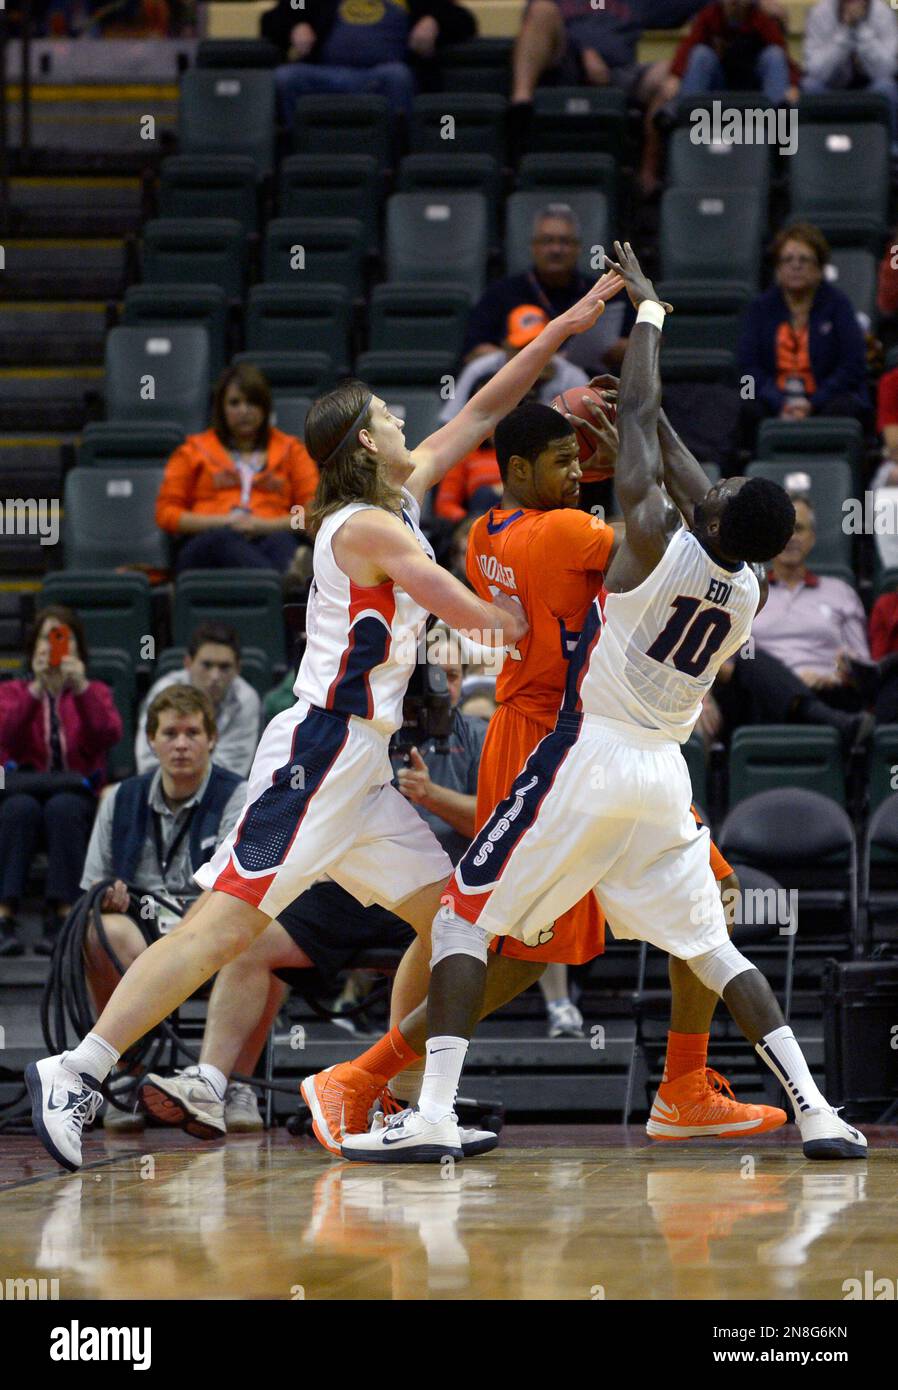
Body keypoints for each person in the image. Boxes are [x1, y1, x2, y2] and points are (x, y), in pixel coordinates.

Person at [26, 268, 625, 1172]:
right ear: (362, 443)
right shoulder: (358, 525)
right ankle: (78, 1068)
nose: (404, 423)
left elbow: (484, 411)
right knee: (221, 928)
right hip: (317, 753)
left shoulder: (398, 496)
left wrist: (564, 329)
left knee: (457, 920)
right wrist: (521, 613)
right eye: (388, 415)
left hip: (365, 767)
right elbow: (454, 602)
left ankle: (395, 1100)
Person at [342, 241, 867, 1164]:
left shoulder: (645, 548)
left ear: (706, 516)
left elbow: (651, 435)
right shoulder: (745, 592)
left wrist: (649, 319)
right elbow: (690, 473)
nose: (718, 482)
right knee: (715, 945)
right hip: (665, 776)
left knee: (469, 919)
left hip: (585, 754)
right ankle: (818, 1110)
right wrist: (643, 426)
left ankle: (426, 1110)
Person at [300, 398, 787, 1154]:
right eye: (562, 462)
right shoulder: (568, 530)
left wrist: (635, 429)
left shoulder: (485, 532)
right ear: (522, 469)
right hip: (565, 743)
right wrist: (637, 430)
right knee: (517, 954)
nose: (576, 474)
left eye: (575, 461)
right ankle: (364, 1077)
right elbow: (684, 537)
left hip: (554, 732)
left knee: (540, 945)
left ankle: (684, 1085)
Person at [129, 653, 491, 1143]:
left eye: (451, 676)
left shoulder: (479, 734)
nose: (440, 686)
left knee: (447, 933)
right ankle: (214, 1083)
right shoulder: (366, 720)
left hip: (435, 882)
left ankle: (400, 1096)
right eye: (431, 674)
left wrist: (432, 796)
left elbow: (498, 825)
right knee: (252, 940)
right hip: (347, 885)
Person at [78, 686, 249, 1132]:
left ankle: (233, 1083)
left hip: (212, 927)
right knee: (100, 932)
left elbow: (242, 881)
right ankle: (123, 1075)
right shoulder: (118, 797)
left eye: (192, 732)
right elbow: (92, 885)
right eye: (169, 733)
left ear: (211, 739)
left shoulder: (239, 794)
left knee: (256, 932)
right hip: (144, 929)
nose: (181, 744)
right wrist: (107, 894)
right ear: (151, 741)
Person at [0, 605, 122, 958]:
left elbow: (107, 734)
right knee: (18, 809)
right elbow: (5, 737)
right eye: (45, 637)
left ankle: (64, 915)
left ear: (76, 648)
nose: (51, 646)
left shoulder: (94, 691)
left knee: (63, 808)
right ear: (33, 646)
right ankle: (5, 915)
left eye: (61, 638)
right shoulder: (13, 691)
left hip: (76, 792)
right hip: (24, 790)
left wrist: (80, 687)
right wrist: (37, 691)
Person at [155, 363, 319, 575]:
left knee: (281, 542)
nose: (244, 411)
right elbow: (167, 514)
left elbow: (311, 514)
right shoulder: (193, 450)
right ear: (221, 408)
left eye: (252, 402)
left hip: (269, 535)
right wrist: (225, 522)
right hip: (205, 544)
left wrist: (263, 526)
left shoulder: (292, 451)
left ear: (265, 407)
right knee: (221, 539)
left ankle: (284, 574)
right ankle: (279, 579)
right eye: (234, 403)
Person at [738, 223, 870, 451]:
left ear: (819, 268)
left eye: (804, 259)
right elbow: (748, 367)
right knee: (746, 402)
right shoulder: (760, 308)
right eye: (787, 260)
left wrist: (813, 402)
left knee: (847, 407)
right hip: (773, 397)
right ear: (777, 269)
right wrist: (780, 401)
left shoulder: (838, 305)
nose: (795, 266)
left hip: (826, 398)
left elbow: (853, 365)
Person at [462, 205, 633, 377]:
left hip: (591, 386)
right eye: (547, 241)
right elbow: (474, 352)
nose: (556, 250)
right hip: (520, 389)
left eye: (564, 242)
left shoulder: (604, 290)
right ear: (533, 247)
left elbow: (639, 346)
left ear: (578, 248)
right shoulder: (501, 293)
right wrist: (533, 360)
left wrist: (613, 350)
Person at [262, 0, 476, 126]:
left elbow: (463, 20)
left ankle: (396, 154)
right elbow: (277, 16)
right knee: (286, 77)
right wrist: (295, 25)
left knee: (397, 75)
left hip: (381, 78)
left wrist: (434, 21)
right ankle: (297, 151)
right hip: (326, 75)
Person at [135, 622, 261, 779]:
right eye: (206, 665)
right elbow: (148, 763)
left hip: (220, 797)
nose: (215, 676)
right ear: (188, 663)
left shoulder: (246, 699)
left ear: (238, 668)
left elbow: (233, 770)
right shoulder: (163, 691)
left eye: (224, 667)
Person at [662, 0, 800, 108]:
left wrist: (793, 85)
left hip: (754, 85)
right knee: (700, 54)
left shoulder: (761, 17)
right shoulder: (710, 15)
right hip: (720, 83)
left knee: (774, 54)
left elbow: (782, 54)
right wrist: (675, 76)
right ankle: (687, 119)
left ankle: (779, 125)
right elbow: (688, 46)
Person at [803, 0, 898, 146]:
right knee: (810, 87)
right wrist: (844, 32)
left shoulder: (883, 13)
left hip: (870, 89)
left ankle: (892, 154)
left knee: (887, 88)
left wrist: (861, 29)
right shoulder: (820, 13)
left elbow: (887, 70)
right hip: (831, 89)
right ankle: (812, 152)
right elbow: (815, 71)